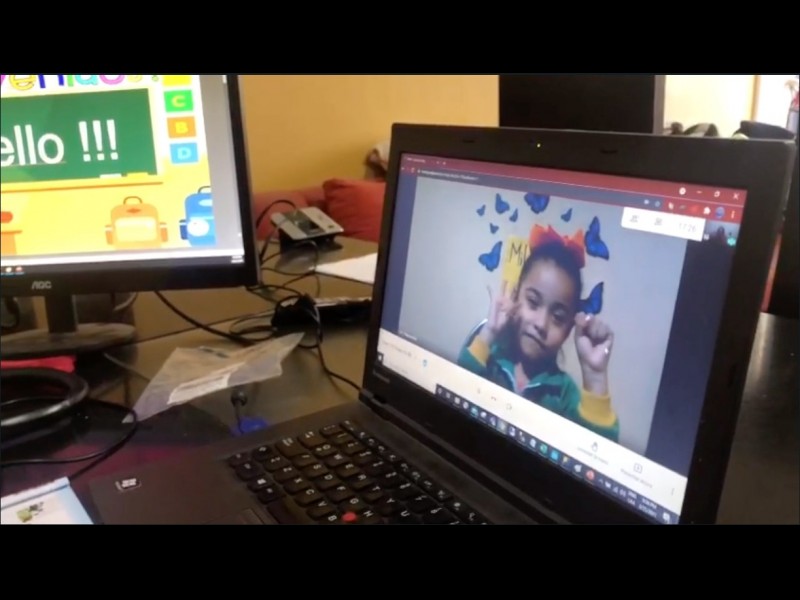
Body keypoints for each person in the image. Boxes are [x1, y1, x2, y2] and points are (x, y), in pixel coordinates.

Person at [458, 225, 619, 441]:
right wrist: (489, 332)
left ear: (569, 330)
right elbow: (456, 390)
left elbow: (597, 446)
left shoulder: (564, 394)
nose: (541, 324)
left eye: (558, 317)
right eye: (533, 302)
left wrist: (595, 375)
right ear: (516, 297)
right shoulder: (490, 356)